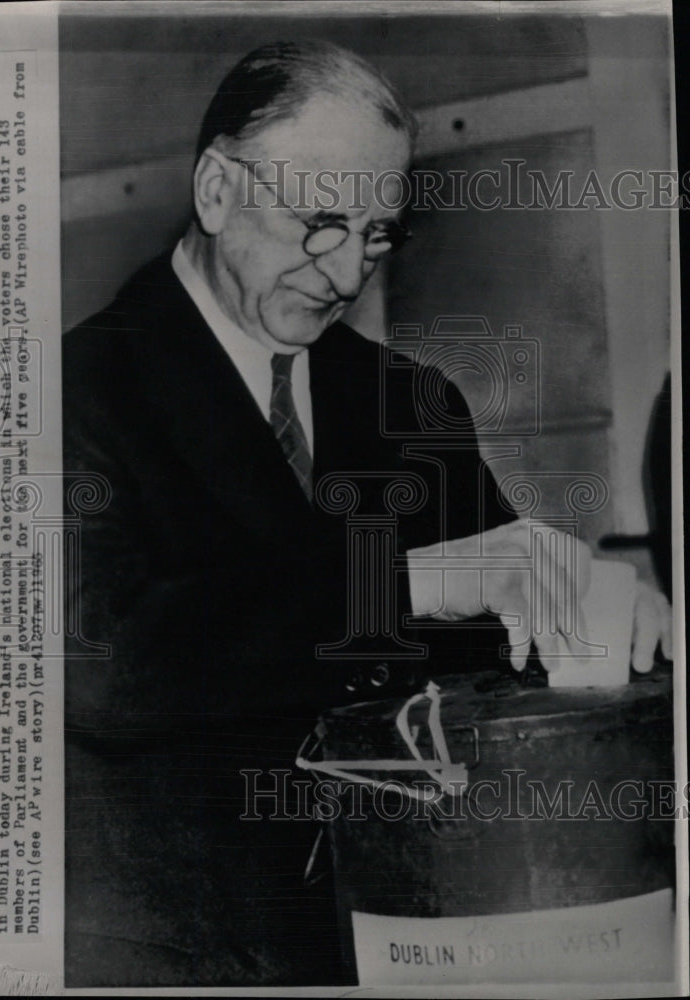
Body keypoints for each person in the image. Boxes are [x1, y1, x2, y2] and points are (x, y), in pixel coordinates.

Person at [62, 40, 672, 987]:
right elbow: (99, 663)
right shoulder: (67, 391)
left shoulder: (411, 402)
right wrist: (415, 581)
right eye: (322, 222)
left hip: (417, 924)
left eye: (378, 233)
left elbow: (502, 640)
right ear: (217, 190)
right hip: (184, 958)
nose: (349, 273)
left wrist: (595, 612)